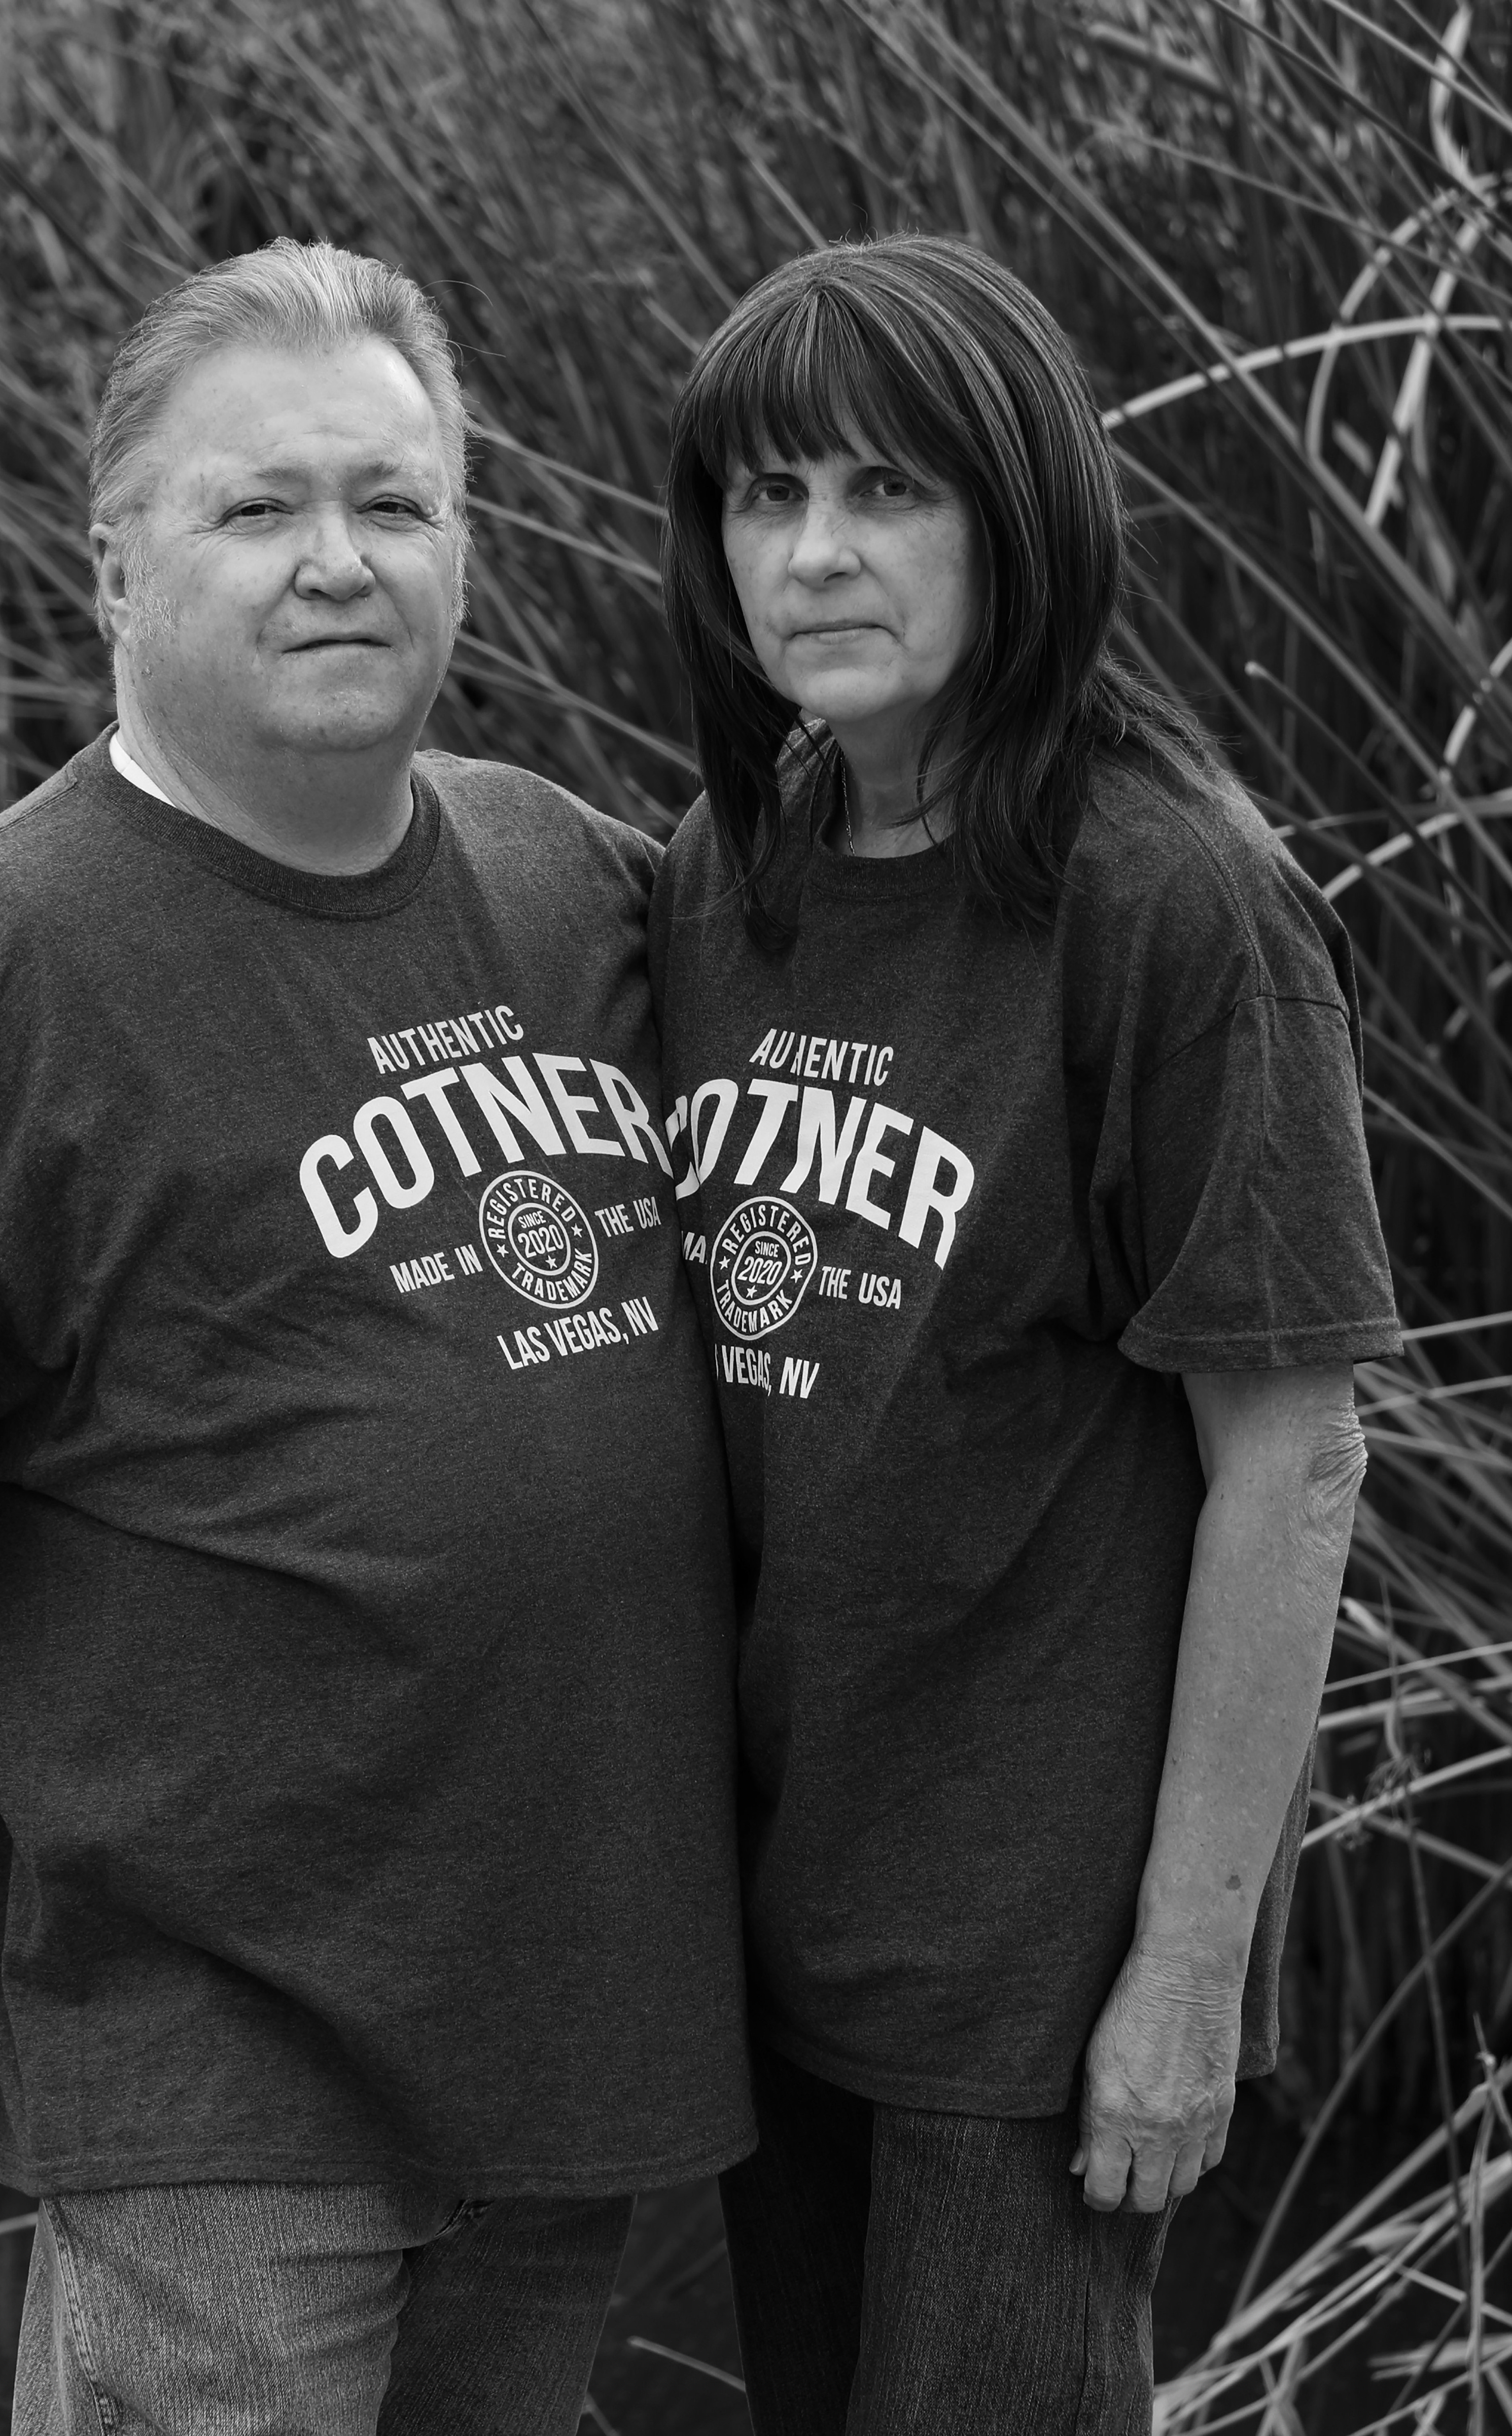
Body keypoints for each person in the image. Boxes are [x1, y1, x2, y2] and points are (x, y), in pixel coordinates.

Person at [0, 238, 753, 2436]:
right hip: (222, 2070)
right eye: (259, 508)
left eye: (393, 502)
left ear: (465, 543)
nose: (337, 560)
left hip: (567, 2026)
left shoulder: (572, 877)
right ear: (113, 567)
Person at [648, 234, 1399, 2433]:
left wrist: (1183, 1976)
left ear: (1021, 517)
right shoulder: (732, 865)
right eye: (767, 495)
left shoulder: (1172, 900)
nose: (815, 553)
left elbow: (1294, 1459)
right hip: (780, 1913)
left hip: (1027, 1971)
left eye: (888, 490)